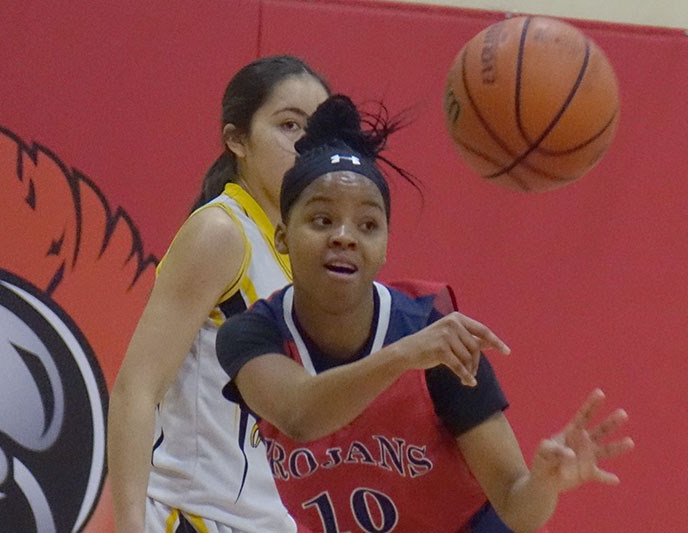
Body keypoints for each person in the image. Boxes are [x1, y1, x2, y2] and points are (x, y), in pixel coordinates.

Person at [215, 94, 635, 532]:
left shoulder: (436, 339)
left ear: (384, 247)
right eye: (322, 220)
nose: (344, 236)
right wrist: (403, 356)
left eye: (368, 225)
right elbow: (300, 416)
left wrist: (545, 483)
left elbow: (516, 506)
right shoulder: (252, 335)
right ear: (282, 237)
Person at [107, 55, 331, 533]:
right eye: (289, 125)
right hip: (195, 518)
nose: (306, 144)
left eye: (319, 130)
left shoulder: (311, 254)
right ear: (238, 140)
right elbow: (136, 390)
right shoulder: (221, 232)